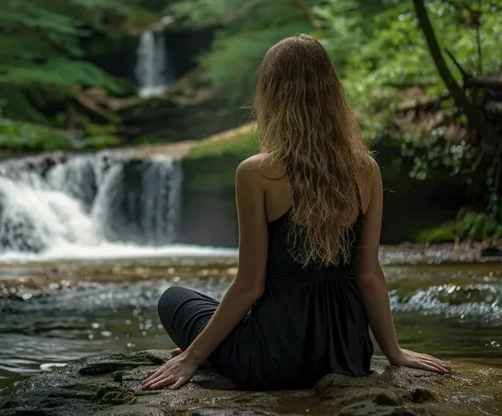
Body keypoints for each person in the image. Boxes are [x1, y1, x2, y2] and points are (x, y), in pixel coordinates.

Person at [143, 34, 449, 392]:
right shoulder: (366, 169)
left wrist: (191, 357)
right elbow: (370, 276)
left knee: (175, 299)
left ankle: (217, 351)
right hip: (347, 356)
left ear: (271, 96)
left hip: (275, 360)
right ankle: (218, 347)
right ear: (333, 93)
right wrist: (393, 352)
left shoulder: (256, 172)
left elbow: (248, 287)